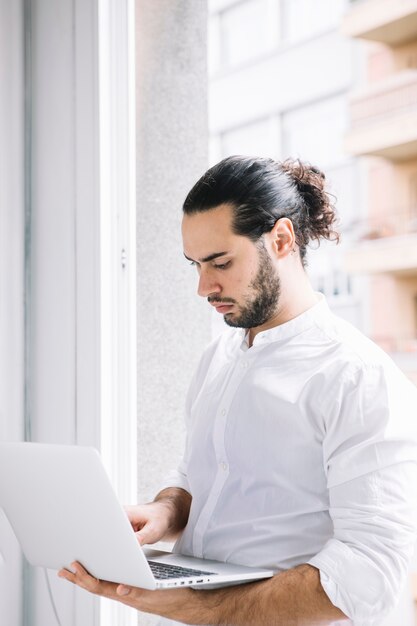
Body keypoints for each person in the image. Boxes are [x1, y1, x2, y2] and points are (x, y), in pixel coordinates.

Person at [59, 156, 417, 625]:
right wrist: (168, 509)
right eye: (195, 266)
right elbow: (201, 472)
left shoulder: (357, 375)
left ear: (282, 240)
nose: (204, 287)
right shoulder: (220, 358)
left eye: (220, 262)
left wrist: (207, 610)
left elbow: (371, 571)